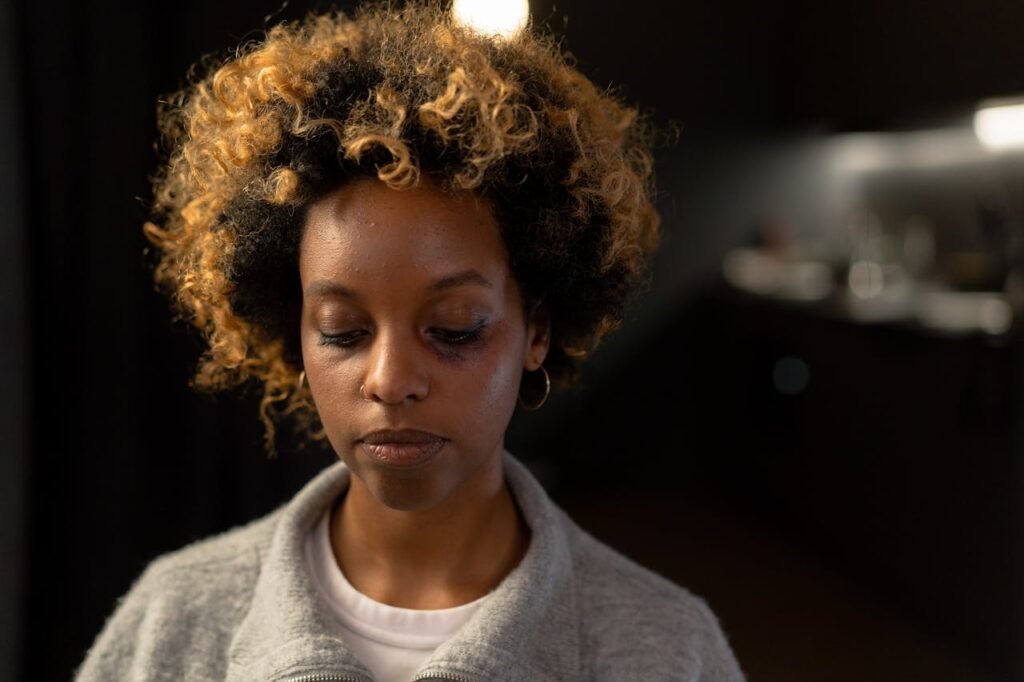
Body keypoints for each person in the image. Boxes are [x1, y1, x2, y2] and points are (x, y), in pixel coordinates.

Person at [75, 2, 745, 680]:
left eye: (454, 327)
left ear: (536, 331)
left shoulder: (668, 649)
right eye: (343, 332)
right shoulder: (174, 620)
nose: (390, 380)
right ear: (293, 331)